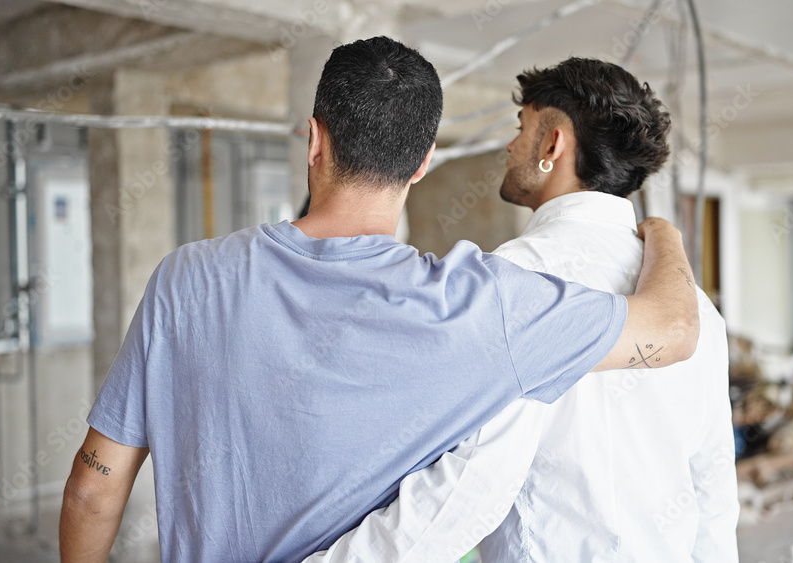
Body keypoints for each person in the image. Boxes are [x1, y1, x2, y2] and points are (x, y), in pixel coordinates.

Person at [59, 40, 700, 563]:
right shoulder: (483, 307)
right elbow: (673, 331)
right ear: (421, 165)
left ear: (313, 140)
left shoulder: (185, 280)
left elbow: (92, 488)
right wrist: (661, 232)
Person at [308, 58, 739, 562]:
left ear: (553, 145)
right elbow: (713, 485)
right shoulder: (694, 306)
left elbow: (471, 484)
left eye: (521, 129)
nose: (511, 147)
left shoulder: (512, 277)